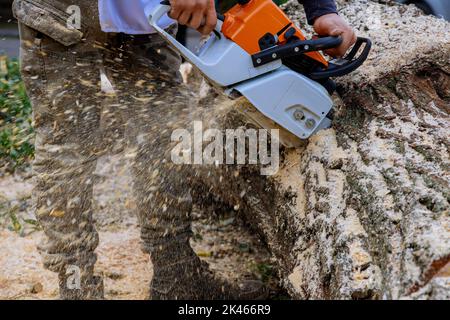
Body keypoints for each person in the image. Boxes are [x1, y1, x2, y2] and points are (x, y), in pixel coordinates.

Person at [13, 0, 356, 299]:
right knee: (69, 146)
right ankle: (76, 287)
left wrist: (322, 11)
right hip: (64, 14)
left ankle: (175, 275)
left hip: (145, 20)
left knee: (165, 135)